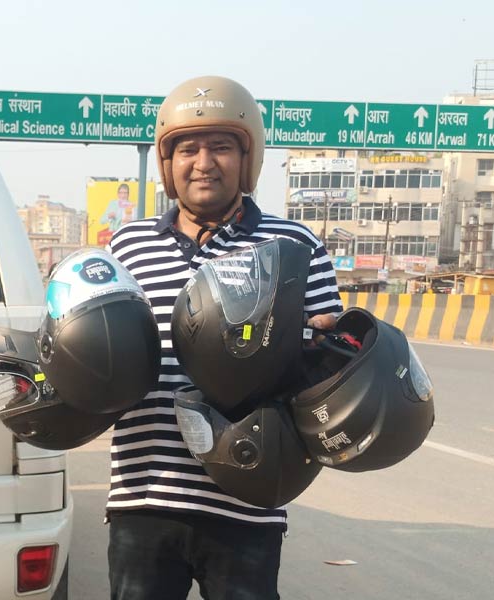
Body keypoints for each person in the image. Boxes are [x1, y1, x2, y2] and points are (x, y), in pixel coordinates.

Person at [105, 75, 342, 600]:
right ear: (168, 163)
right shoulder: (127, 246)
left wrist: (321, 352)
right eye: (187, 148)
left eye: (221, 146)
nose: (204, 162)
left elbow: (327, 370)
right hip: (145, 497)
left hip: (247, 502)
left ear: (247, 157)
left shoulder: (294, 245)